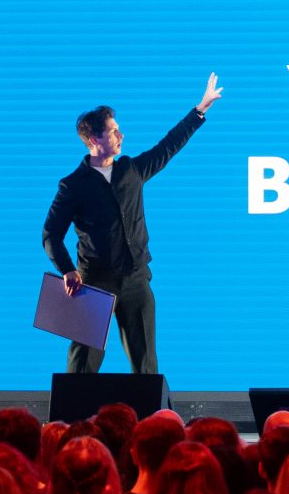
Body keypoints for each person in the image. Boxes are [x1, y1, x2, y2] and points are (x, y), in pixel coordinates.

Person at [42, 77, 224, 376]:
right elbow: (50, 236)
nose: (121, 135)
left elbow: (168, 146)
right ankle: (69, 423)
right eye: (113, 131)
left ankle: (153, 423)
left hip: (136, 281)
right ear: (94, 140)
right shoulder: (72, 185)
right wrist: (67, 270)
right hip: (93, 284)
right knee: (81, 368)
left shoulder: (131, 170)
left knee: (146, 368)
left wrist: (200, 110)